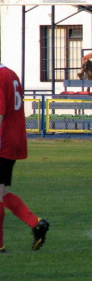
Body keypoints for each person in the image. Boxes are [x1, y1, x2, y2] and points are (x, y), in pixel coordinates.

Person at [0, 64, 50, 253]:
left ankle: (0, 244)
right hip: (14, 139)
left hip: (3, 141)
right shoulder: (11, 73)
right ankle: (35, 223)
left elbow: (0, 111)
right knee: (2, 191)